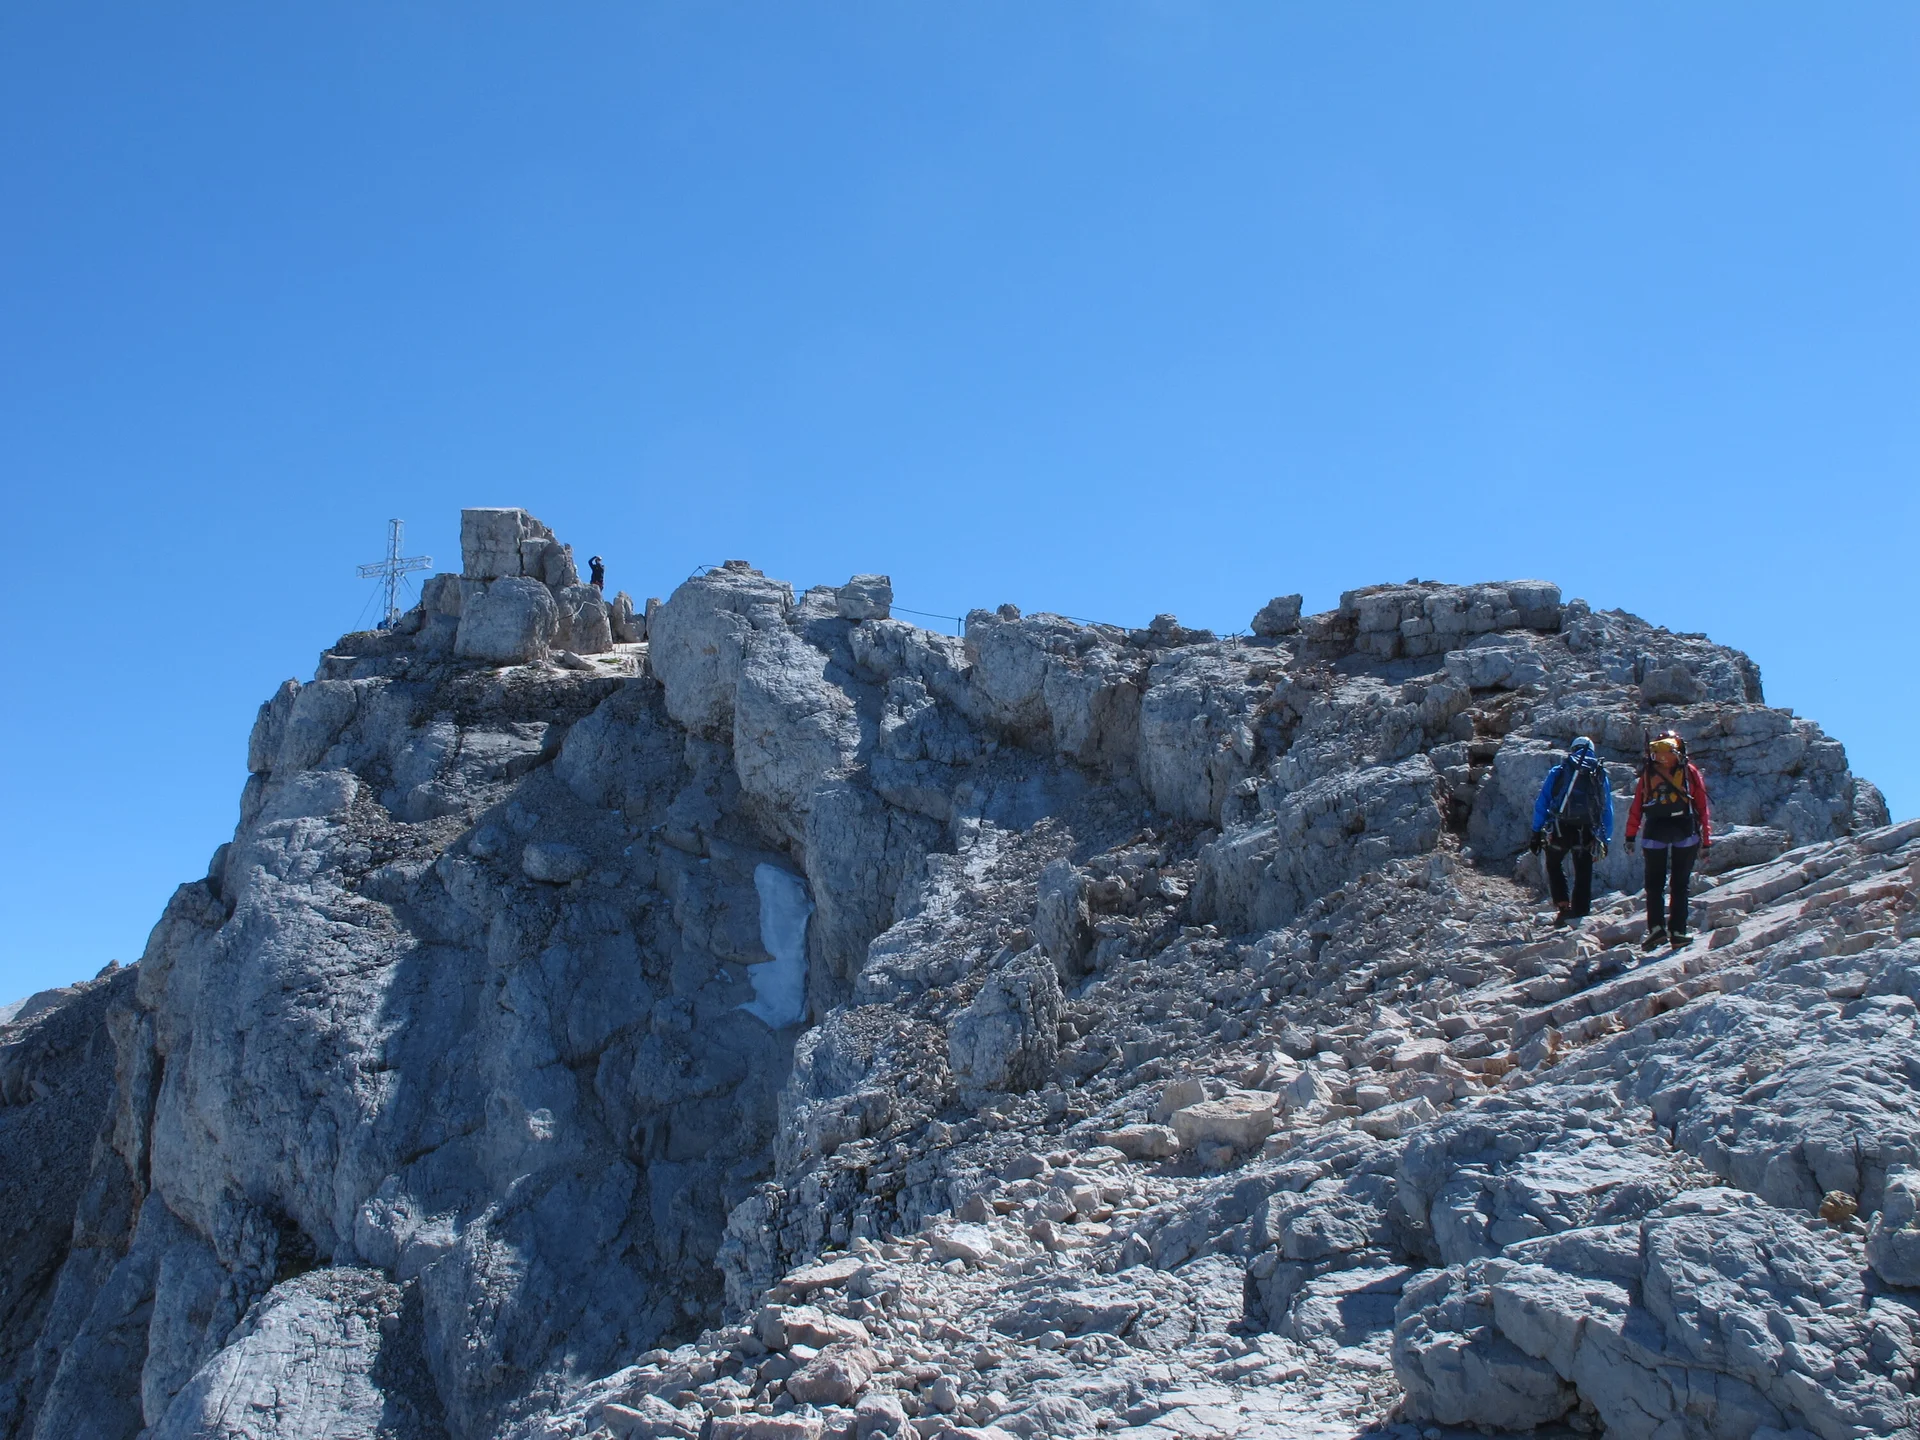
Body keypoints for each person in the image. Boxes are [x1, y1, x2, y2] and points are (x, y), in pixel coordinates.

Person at [1625, 731, 1712, 949]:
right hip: (1684, 829)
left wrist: (1630, 835)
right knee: (1680, 885)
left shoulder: (1648, 772)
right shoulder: (1689, 771)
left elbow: (1637, 805)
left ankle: (1656, 930)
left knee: (1654, 885)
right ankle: (1678, 932)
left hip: (1654, 829)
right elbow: (1701, 807)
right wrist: (1707, 841)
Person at [1529, 735, 1614, 925]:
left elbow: (1542, 802)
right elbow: (1607, 807)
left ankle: (1562, 905)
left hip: (1561, 828)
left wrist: (1536, 831)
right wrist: (1605, 839)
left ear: (1573, 749)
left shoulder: (1560, 770)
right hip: (1587, 829)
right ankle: (1581, 912)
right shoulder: (1599, 773)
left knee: (1553, 863)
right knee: (1583, 869)